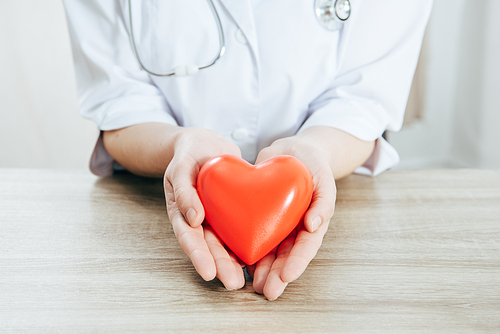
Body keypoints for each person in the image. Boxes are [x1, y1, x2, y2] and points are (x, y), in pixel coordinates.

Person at [63, 0, 432, 300]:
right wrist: (179, 147)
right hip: (146, 214)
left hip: (337, 218)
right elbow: (120, 101)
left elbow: (360, 100)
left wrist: (314, 151)